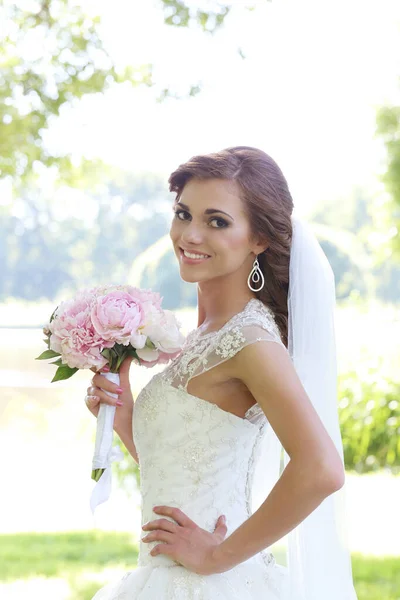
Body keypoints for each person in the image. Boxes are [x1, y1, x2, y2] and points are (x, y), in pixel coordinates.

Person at [84, 146, 357, 599]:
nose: (190, 234)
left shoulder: (251, 341)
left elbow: (322, 469)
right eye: (183, 213)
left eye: (217, 221)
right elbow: (179, 468)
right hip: (163, 576)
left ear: (259, 239)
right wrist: (125, 410)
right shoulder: (209, 334)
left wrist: (217, 556)